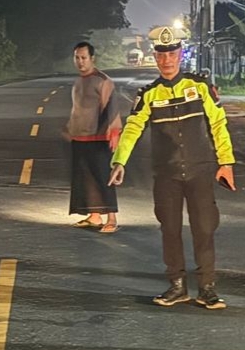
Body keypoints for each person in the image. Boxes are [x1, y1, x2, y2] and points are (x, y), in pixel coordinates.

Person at [108, 26, 236, 309]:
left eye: (172, 54)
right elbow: (132, 129)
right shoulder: (149, 95)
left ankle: (207, 288)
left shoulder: (200, 87)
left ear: (180, 55)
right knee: (170, 229)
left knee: (204, 227)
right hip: (166, 173)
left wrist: (225, 163)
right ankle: (177, 286)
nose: (166, 61)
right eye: (161, 55)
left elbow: (218, 125)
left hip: (199, 170)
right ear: (155, 57)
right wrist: (119, 161)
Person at [65, 41, 122, 233]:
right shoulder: (78, 81)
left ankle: (111, 218)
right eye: (77, 58)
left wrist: (114, 132)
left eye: (84, 58)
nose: (80, 62)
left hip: (99, 138)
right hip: (80, 138)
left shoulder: (103, 81)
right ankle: (95, 216)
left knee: (102, 177)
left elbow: (112, 107)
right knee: (85, 178)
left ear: (92, 59)